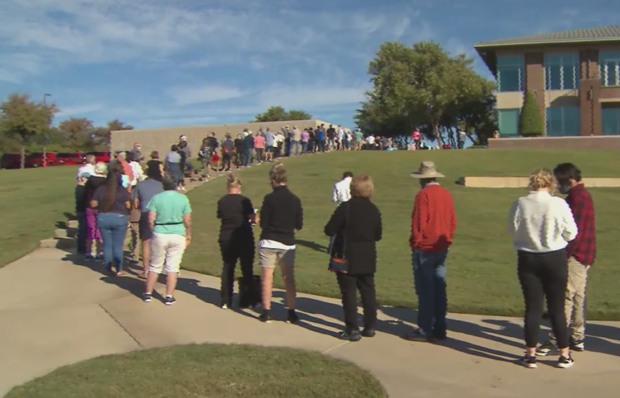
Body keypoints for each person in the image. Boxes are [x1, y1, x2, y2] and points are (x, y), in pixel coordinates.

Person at [507, 169, 578, 369]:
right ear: (551, 184)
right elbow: (571, 232)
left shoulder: (520, 203)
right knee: (556, 308)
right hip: (554, 256)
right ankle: (564, 354)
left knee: (533, 307)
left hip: (528, 257)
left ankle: (530, 355)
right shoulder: (558, 204)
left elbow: (512, 230)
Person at [537, 163, 596, 356]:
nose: (557, 185)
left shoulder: (576, 199)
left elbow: (573, 233)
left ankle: (556, 339)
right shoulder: (583, 196)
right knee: (578, 296)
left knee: (565, 298)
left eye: (559, 181)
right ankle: (577, 337)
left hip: (575, 255)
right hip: (585, 254)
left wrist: (563, 255)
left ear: (569, 179)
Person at [324, 174, 382, 341]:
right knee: (368, 291)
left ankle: (352, 328)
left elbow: (329, 229)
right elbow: (377, 235)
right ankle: (370, 326)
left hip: (347, 255)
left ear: (353, 189)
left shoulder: (345, 208)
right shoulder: (374, 209)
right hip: (368, 255)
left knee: (349, 293)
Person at [405, 161, 457, 342]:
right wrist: (448, 238)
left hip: (425, 248)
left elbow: (419, 223)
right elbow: (452, 221)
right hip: (441, 247)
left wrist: (415, 243)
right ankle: (440, 326)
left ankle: (425, 328)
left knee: (425, 290)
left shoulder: (423, 195)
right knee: (439, 287)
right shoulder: (446, 194)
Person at [258, 162, 303, 323]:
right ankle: (291, 311)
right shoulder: (295, 199)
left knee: (267, 277)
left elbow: (263, 222)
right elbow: (299, 224)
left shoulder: (269, 199)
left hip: (269, 241)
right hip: (287, 242)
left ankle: (266, 310)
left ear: (273, 180)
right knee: (288, 278)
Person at [143, 176, 192, 305]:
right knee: (172, 267)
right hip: (177, 232)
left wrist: (152, 229)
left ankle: (148, 293)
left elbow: (150, 218)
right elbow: (187, 220)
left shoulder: (156, 198)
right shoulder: (183, 198)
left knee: (155, 265)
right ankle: (169, 296)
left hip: (160, 231)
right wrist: (188, 234)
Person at [217, 174, 257, 309]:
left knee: (228, 267)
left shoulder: (222, 201)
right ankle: (247, 300)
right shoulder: (244, 200)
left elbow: (221, 216)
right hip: (243, 235)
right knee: (246, 268)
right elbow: (253, 218)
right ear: (238, 186)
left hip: (226, 236)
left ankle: (225, 300)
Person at [90, 162, 131, 276]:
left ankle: (108, 266)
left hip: (104, 217)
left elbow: (93, 203)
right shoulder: (122, 190)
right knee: (118, 245)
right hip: (119, 217)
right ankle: (118, 268)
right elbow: (128, 205)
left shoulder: (101, 189)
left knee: (107, 244)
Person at [133, 162, 164, 278]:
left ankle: (146, 270)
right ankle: (159, 268)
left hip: (146, 213)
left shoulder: (140, 185)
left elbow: (135, 204)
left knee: (146, 243)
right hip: (160, 214)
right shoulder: (162, 185)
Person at [83, 162, 107, 259]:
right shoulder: (105, 182)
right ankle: (98, 252)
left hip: (89, 207)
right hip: (101, 208)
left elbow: (85, 194)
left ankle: (89, 252)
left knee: (90, 229)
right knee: (99, 230)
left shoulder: (90, 181)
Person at [75, 171, 89, 255]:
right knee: (83, 229)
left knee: (82, 229)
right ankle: (82, 247)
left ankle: (82, 247)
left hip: (80, 210)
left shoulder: (79, 188)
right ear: (83, 178)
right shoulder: (81, 188)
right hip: (82, 210)